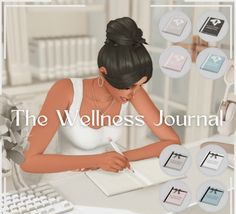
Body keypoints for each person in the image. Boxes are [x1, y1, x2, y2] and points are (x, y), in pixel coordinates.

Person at [21, 17, 180, 174]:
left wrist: (119, 158)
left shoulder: (132, 91)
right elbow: (28, 161)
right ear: (103, 73)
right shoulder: (66, 90)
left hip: (102, 177)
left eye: (140, 85)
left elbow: (171, 141)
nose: (134, 92)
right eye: (128, 86)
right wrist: (97, 160)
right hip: (66, 180)